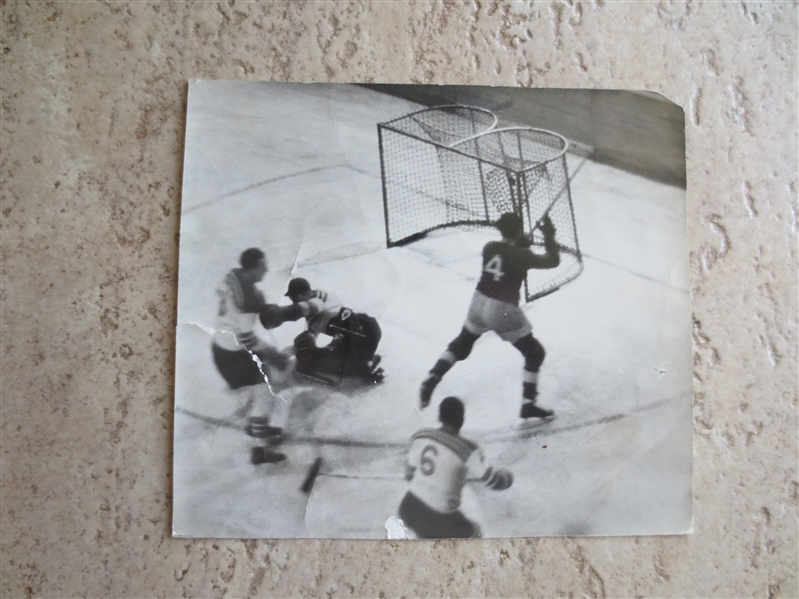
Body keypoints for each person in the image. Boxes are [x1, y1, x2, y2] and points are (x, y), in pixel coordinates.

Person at [419, 212, 560, 419]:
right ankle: (528, 404)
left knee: (462, 344)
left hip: (479, 301)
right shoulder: (523, 256)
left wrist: (520, 246)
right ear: (519, 230)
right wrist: (548, 234)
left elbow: (508, 257)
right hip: (502, 308)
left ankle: (433, 376)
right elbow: (553, 260)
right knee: (535, 353)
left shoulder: (490, 247)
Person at [211, 248, 291, 464]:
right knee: (266, 392)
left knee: (254, 389)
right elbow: (248, 339)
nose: (266, 270)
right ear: (254, 267)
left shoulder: (234, 276)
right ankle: (261, 451)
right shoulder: (248, 298)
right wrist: (274, 355)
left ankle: (255, 428)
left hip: (219, 347)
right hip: (234, 354)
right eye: (263, 266)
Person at [398, 396, 513, 539]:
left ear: (439, 417)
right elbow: (494, 482)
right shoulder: (468, 450)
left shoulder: (420, 436)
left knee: (428, 537)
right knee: (474, 535)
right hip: (439, 514)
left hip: (409, 507)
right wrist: (507, 477)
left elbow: (409, 475)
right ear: (462, 419)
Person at [265, 277, 384, 385]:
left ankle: (361, 366)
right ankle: (363, 358)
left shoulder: (316, 299)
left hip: (363, 332)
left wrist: (280, 314)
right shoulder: (315, 307)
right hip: (363, 331)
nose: (292, 299)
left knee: (308, 359)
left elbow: (311, 307)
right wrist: (288, 352)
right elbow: (314, 329)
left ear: (306, 293)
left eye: (295, 296)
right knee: (303, 343)